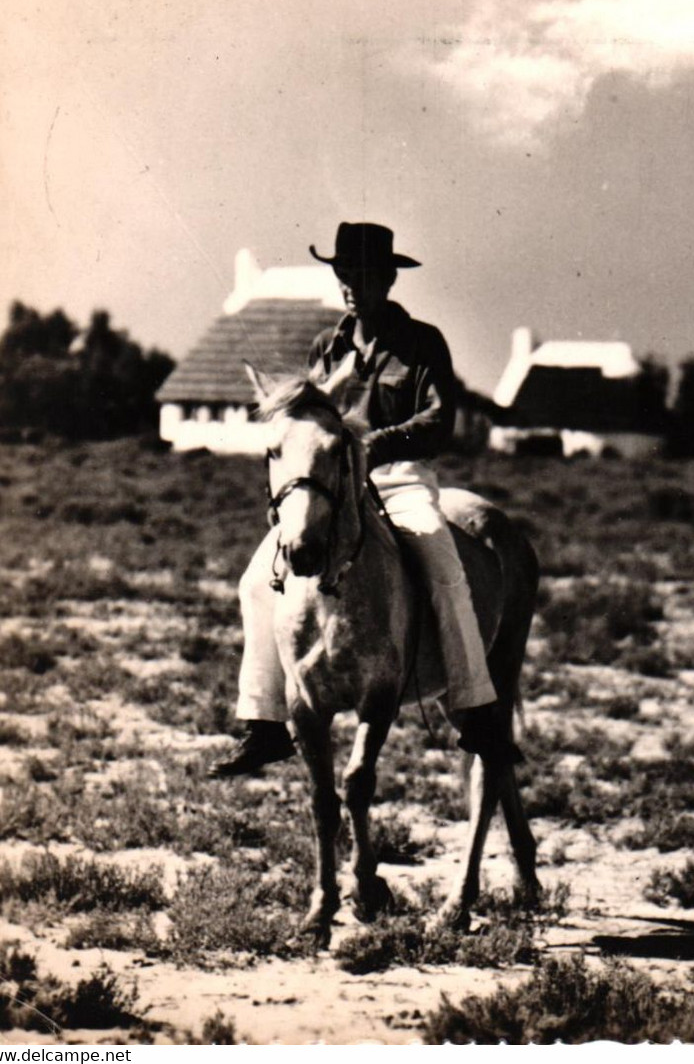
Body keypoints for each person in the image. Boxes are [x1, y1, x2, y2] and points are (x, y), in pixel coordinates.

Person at [212, 222, 513, 776]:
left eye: (364, 274)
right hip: (335, 485)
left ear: (389, 279)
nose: (351, 284)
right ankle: (263, 723)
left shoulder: (424, 343)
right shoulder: (327, 347)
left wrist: (375, 443)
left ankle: (476, 710)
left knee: (446, 570)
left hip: (401, 479)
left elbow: (439, 419)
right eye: (344, 273)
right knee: (256, 581)